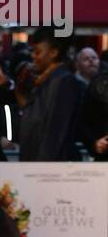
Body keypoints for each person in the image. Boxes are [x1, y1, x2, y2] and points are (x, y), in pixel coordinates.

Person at [16, 27, 81, 161]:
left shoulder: (63, 81)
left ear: (53, 52)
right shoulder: (42, 80)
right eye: (32, 51)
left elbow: (55, 133)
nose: (33, 56)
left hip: (50, 170)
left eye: (38, 52)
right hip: (34, 165)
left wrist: (42, 171)